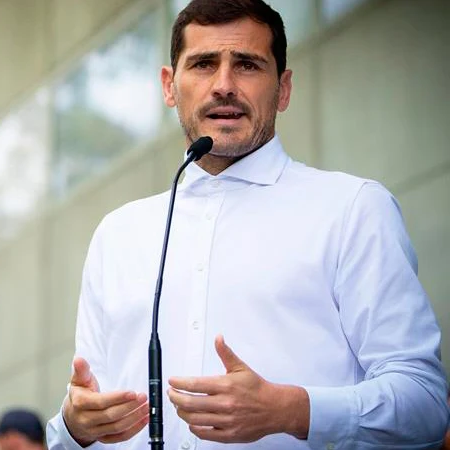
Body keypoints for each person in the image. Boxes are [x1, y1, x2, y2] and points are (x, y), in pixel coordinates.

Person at [46, 0, 449, 449]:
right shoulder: (117, 235)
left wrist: (290, 410)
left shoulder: (353, 208)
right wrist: (73, 427)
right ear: (169, 85)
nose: (223, 85)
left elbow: (425, 404)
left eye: (247, 65)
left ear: (283, 89)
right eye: (202, 64)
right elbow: (74, 424)